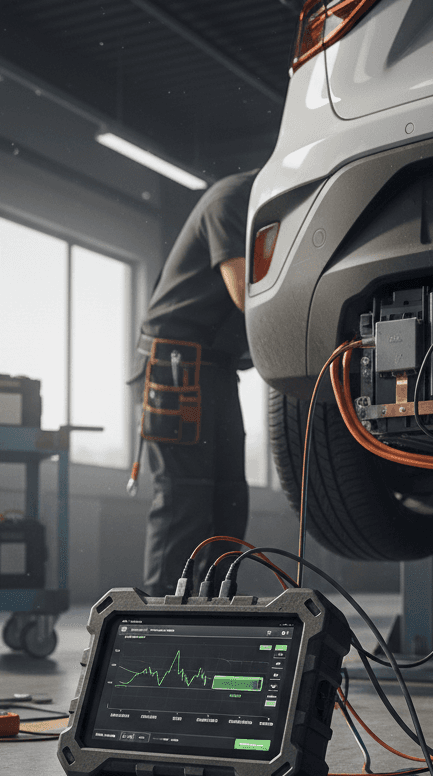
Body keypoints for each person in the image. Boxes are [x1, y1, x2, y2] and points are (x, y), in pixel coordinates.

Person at [133, 169, 258, 595]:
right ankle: (158, 619)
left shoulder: (255, 207)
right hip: (177, 365)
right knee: (184, 498)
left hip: (217, 368)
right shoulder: (231, 199)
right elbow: (246, 294)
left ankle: (214, 609)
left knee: (230, 500)